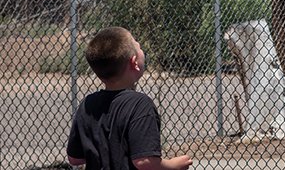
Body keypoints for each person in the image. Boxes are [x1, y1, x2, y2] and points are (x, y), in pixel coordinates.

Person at [67, 27, 193, 170]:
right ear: (134, 63)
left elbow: (74, 158)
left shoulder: (87, 104)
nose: (141, 49)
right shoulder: (140, 104)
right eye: (138, 47)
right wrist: (174, 165)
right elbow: (145, 161)